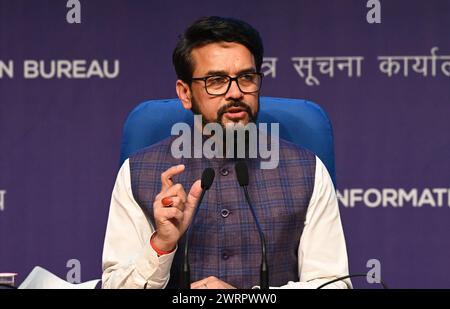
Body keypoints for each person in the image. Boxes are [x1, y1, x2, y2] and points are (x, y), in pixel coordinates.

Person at [102, 16, 351, 289]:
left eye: (246, 77)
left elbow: (333, 285)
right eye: (216, 80)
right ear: (185, 93)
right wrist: (161, 244)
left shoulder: (307, 170)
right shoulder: (138, 172)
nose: (236, 92)